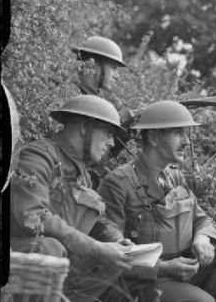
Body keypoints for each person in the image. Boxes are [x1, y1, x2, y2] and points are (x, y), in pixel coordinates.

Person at [97, 100, 216, 302]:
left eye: (185, 133)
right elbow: (111, 254)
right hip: (143, 282)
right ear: (154, 137)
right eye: (178, 133)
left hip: (179, 270)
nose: (186, 141)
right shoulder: (118, 183)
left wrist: (201, 239)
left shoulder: (174, 177)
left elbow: (201, 219)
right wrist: (164, 268)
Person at [10, 94, 134, 302]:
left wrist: (115, 240)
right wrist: (95, 248)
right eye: (108, 133)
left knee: (115, 261)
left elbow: (95, 221)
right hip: (20, 259)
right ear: (85, 127)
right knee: (49, 249)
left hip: (60, 265)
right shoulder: (39, 157)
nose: (112, 142)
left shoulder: (83, 174)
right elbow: (32, 218)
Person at [73, 35, 133, 162]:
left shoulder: (97, 98)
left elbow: (103, 158)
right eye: (113, 68)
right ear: (94, 64)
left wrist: (127, 129)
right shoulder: (70, 93)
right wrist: (119, 120)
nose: (116, 76)